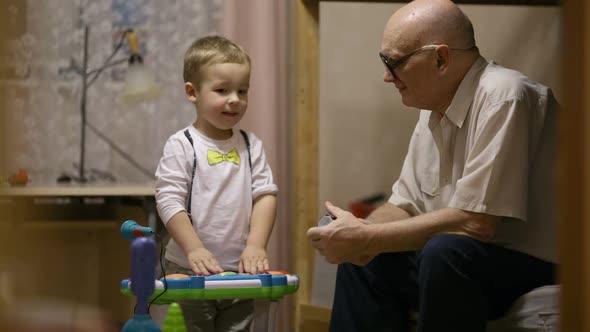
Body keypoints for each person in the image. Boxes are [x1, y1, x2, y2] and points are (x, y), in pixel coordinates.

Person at [306, 1, 558, 331]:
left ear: (440, 58)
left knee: (444, 251)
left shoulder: (504, 95)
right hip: (465, 259)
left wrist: (371, 238)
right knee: (364, 261)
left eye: (392, 62)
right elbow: (404, 205)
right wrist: (361, 233)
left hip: (538, 261)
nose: (386, 76)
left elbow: (477, 223)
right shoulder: (434, 107)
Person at [155, 35, 278, 332]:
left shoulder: (251, 145)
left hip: (241, 271)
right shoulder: (181, 144)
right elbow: (169, 200)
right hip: (188, 270)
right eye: (222, 90)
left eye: (242, 90)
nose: (235, 99)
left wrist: (256, 245)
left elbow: (265, 196)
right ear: (192, 92)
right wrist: (194, 248)